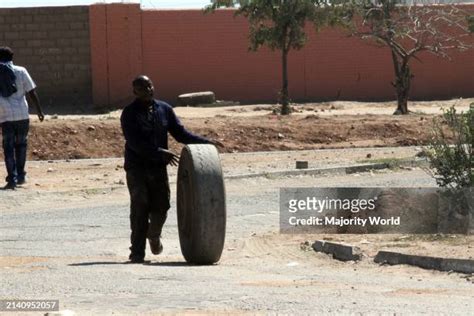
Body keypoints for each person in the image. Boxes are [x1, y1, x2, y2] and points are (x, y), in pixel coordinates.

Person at [121, 75, 219, 263]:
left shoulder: (164, 109)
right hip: (137, 168)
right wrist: (159, 152)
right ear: (135, 92)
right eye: (143, 88)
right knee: (140, 207)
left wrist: (207, 143)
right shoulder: (129, 113)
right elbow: (134, 143)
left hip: (158, 168)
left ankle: (154, 234)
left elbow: (180, 134)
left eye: (150, 85)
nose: (149, 90)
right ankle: (137, 253)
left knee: (162, 207)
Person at [0, 47, 44, 190]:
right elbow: (32, 92)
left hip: (5, 115)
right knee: (21, 145)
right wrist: (39, 111)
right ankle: (21, 176)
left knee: (8, 148)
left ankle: (11, 179)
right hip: (22, 114)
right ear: (12, 57)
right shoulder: (21, 71)